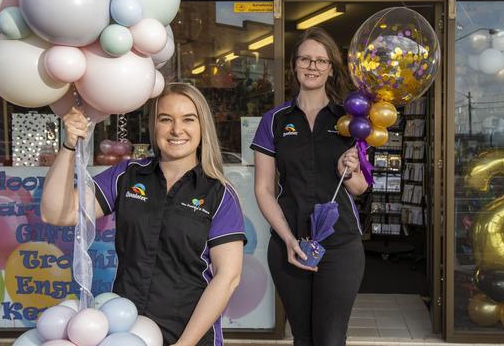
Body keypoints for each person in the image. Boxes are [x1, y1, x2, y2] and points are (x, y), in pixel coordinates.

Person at [41, 82, 246, 346]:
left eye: (188, 119)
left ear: (202, 127)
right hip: (125, 331)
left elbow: (227, 278)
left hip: (189, 336)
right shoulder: (128, 175)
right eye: (165, 119)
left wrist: (184, 344)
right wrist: (69, 145)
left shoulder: (220, 194)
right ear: (154, 126)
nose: (176, 129)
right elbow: (56, 213)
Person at [251, 27, 369, 346]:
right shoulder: (274, 120)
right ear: (295, 64)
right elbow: (263, 189)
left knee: (330, 338)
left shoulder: (348, 119)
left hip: (340, 245)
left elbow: (359, 188)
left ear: (331, 68)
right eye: (306, 58)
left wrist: (349, 170)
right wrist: (288, 239)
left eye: (321, 60)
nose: (312, 66)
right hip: (290, 244)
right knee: (303, 338)